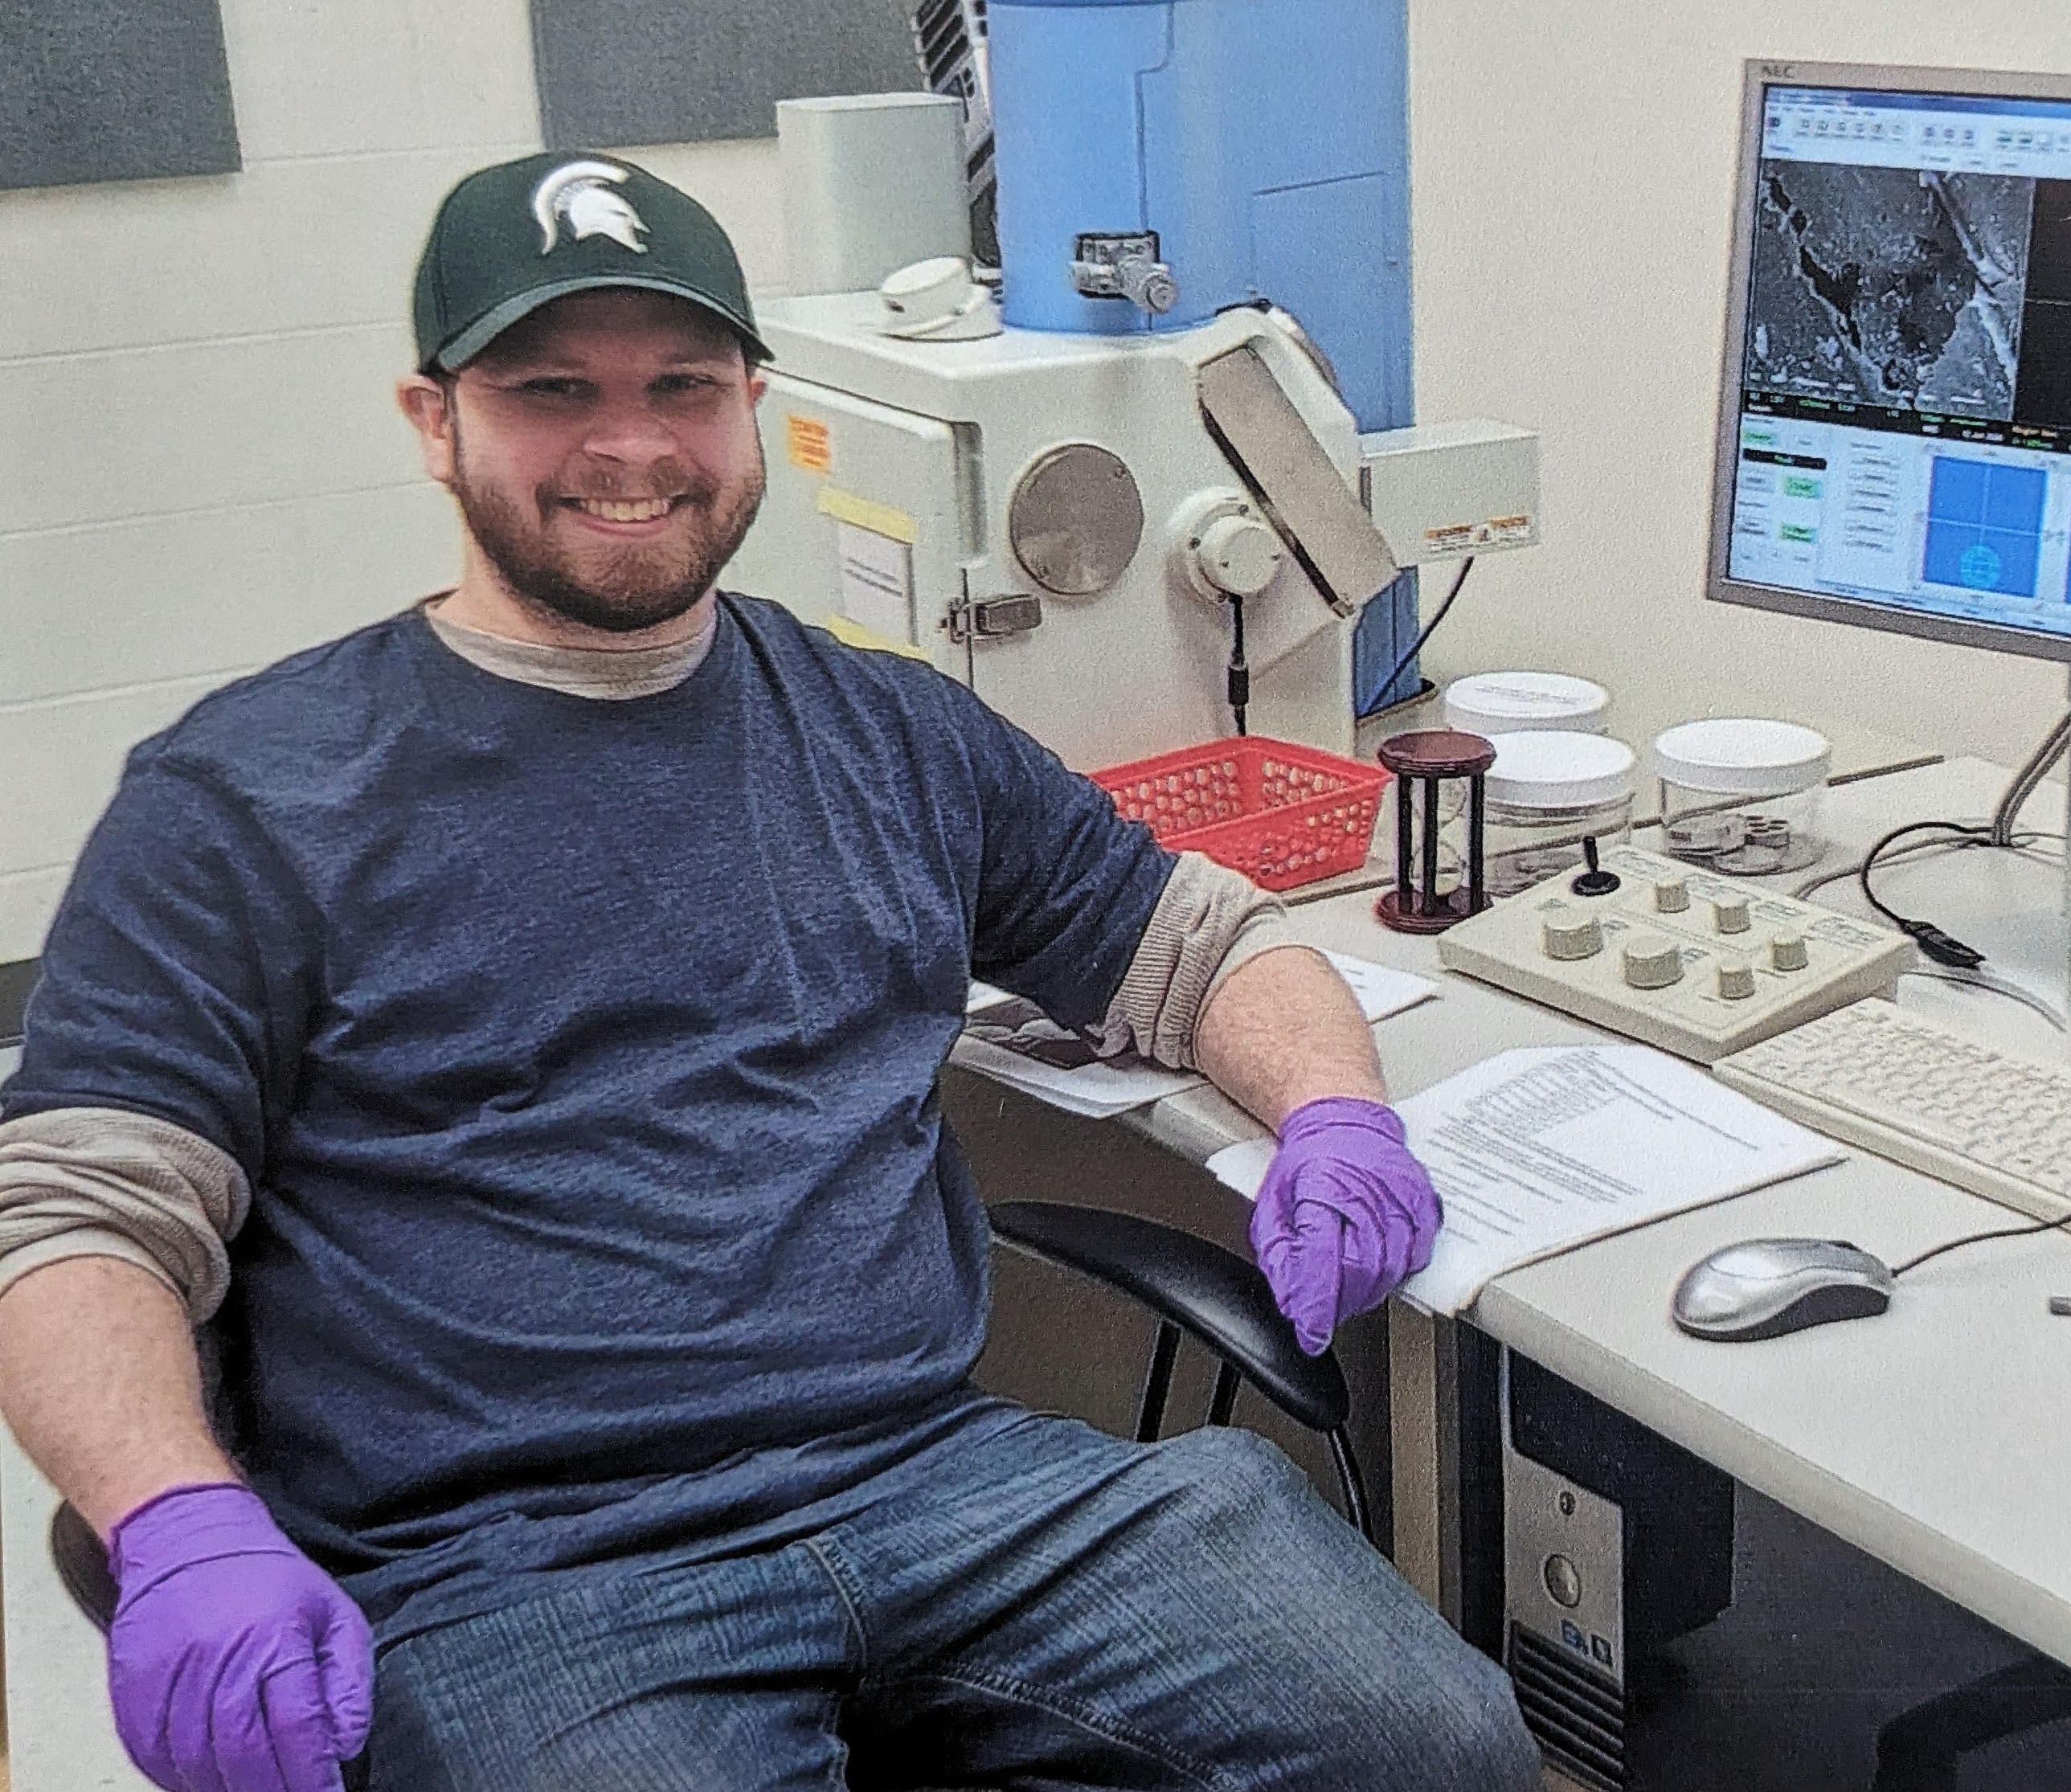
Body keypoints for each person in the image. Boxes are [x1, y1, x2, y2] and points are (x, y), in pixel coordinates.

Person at [0, 153, 1537, 1792]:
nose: (632, 443)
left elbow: (1200, 940)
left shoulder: (883, 728)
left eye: (681, 384)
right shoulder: (252, 796)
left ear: (750, 400)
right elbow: (80, 1215)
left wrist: (1336, 1113)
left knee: (1434, 1742)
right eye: (550, 388)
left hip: (938, 1480)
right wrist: (177, 1520)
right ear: (433, 417)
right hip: (518, 1569)